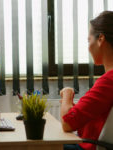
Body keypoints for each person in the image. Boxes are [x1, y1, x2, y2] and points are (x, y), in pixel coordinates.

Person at [60, 11, 113, 150]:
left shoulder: (109, 80)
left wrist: (67, 94)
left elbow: (67, 123)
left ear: (100, 39)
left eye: (89, 40)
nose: (88, 46)